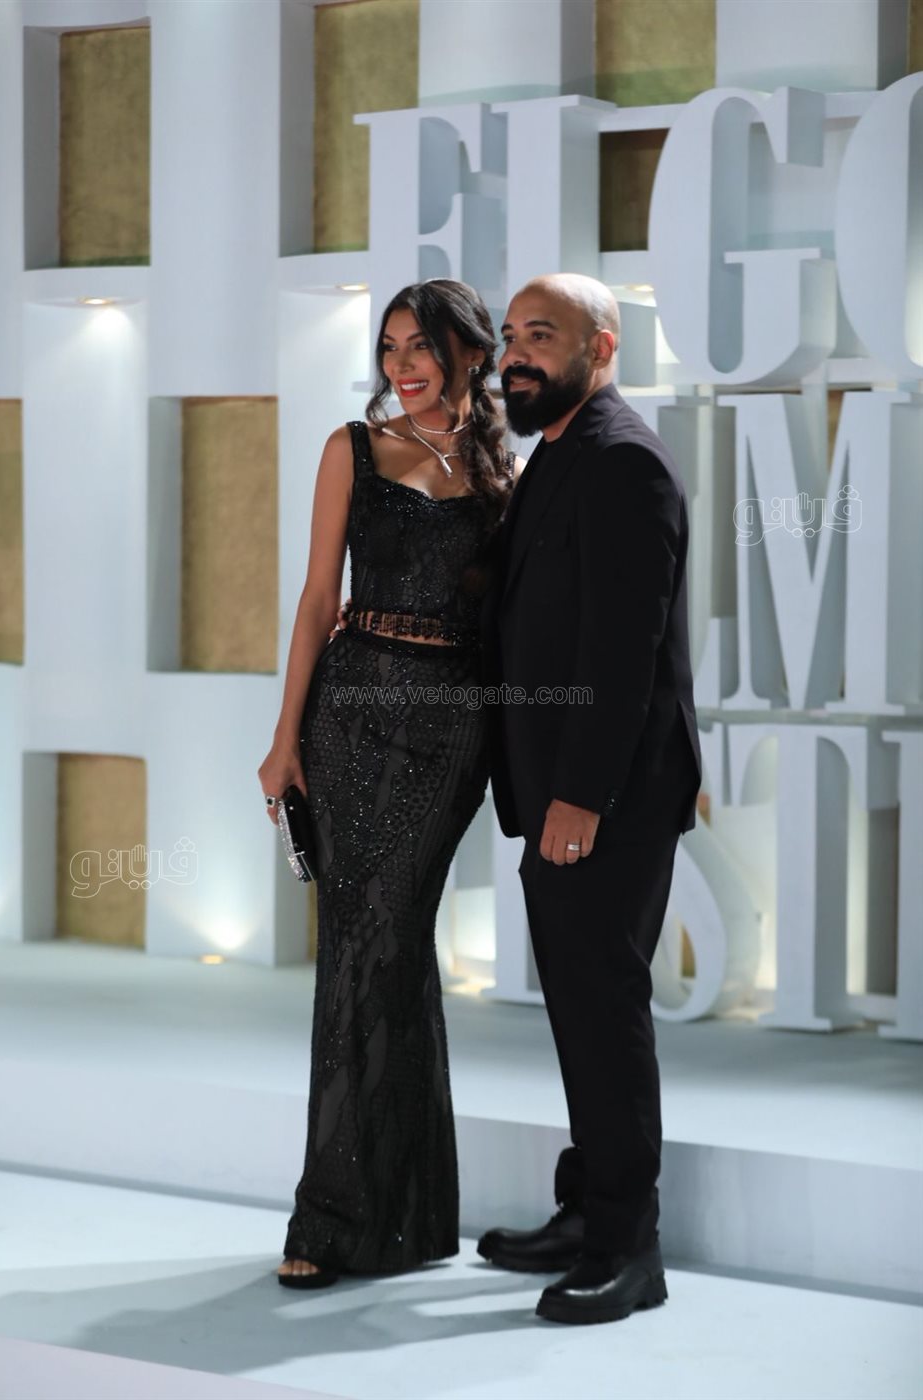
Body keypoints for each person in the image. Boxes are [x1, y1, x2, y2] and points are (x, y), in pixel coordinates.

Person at [257, 279, 520, 1288]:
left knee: (393, 942)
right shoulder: (352, 450)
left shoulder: (503, 472)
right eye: (390, 347)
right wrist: (284, 738)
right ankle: (338, 1217)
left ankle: (398, 1211)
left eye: (421, 347)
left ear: (470, 356)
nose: (401, 366)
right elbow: (316, 598)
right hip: (351, 712)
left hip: (451, 727)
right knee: (359, 950)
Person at [477, 273, 702, 1325]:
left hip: (606, 800)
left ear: (600, 348)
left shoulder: (622, 461)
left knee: (604, 1013)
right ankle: (587, 1210)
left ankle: (628, 1248)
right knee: (578, 1007)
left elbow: (623, 653)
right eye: (510, 335)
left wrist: (578, 797)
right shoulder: (558, 453)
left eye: (543, 334)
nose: (517, 354)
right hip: (564, 793)